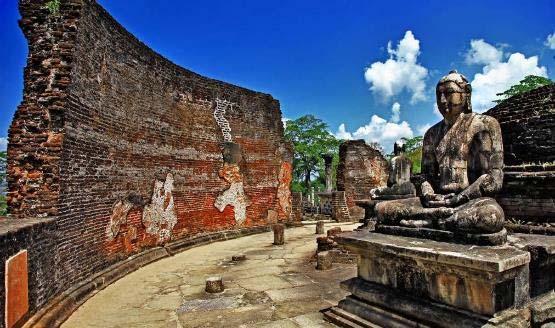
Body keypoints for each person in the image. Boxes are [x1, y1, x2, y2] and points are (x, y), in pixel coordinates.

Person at [375, 70, 505, 236]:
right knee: (382, 210)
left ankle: (430, 221)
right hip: (436, 202)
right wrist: (428, 192)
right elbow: (426, 176)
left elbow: (493, 180)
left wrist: (459, 198)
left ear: (466, 94)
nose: (443, 100)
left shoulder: (484, 125)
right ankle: (439, 220)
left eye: (449, 93)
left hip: (468, 201)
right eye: (439, 95)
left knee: (490, 217)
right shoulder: (431, 133)